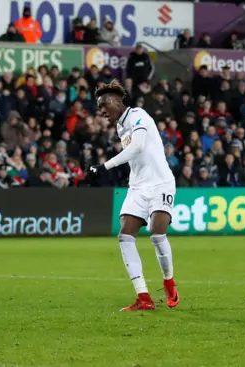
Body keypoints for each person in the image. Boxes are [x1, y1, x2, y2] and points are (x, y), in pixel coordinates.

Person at [89, 80, 179, 311]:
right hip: (138, 187)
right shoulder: (120, 127)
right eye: (99, 107)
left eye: (103, 105)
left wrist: (104, 166)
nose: (101, 111)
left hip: (160, 183)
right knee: (124, 236)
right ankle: (144, 297)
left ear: (117, 101)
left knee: (157, 235)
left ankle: (168, 281)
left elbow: (138, 147)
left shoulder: (138, 115)